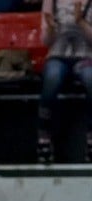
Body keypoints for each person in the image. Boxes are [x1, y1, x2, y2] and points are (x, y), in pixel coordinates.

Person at [37, 0, 92, 163]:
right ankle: (44, 136)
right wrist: (51, 29)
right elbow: (46, 41)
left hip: (86, 55)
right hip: (58, 54)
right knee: (52, 76)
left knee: (91, 78)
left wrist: (81, 22)